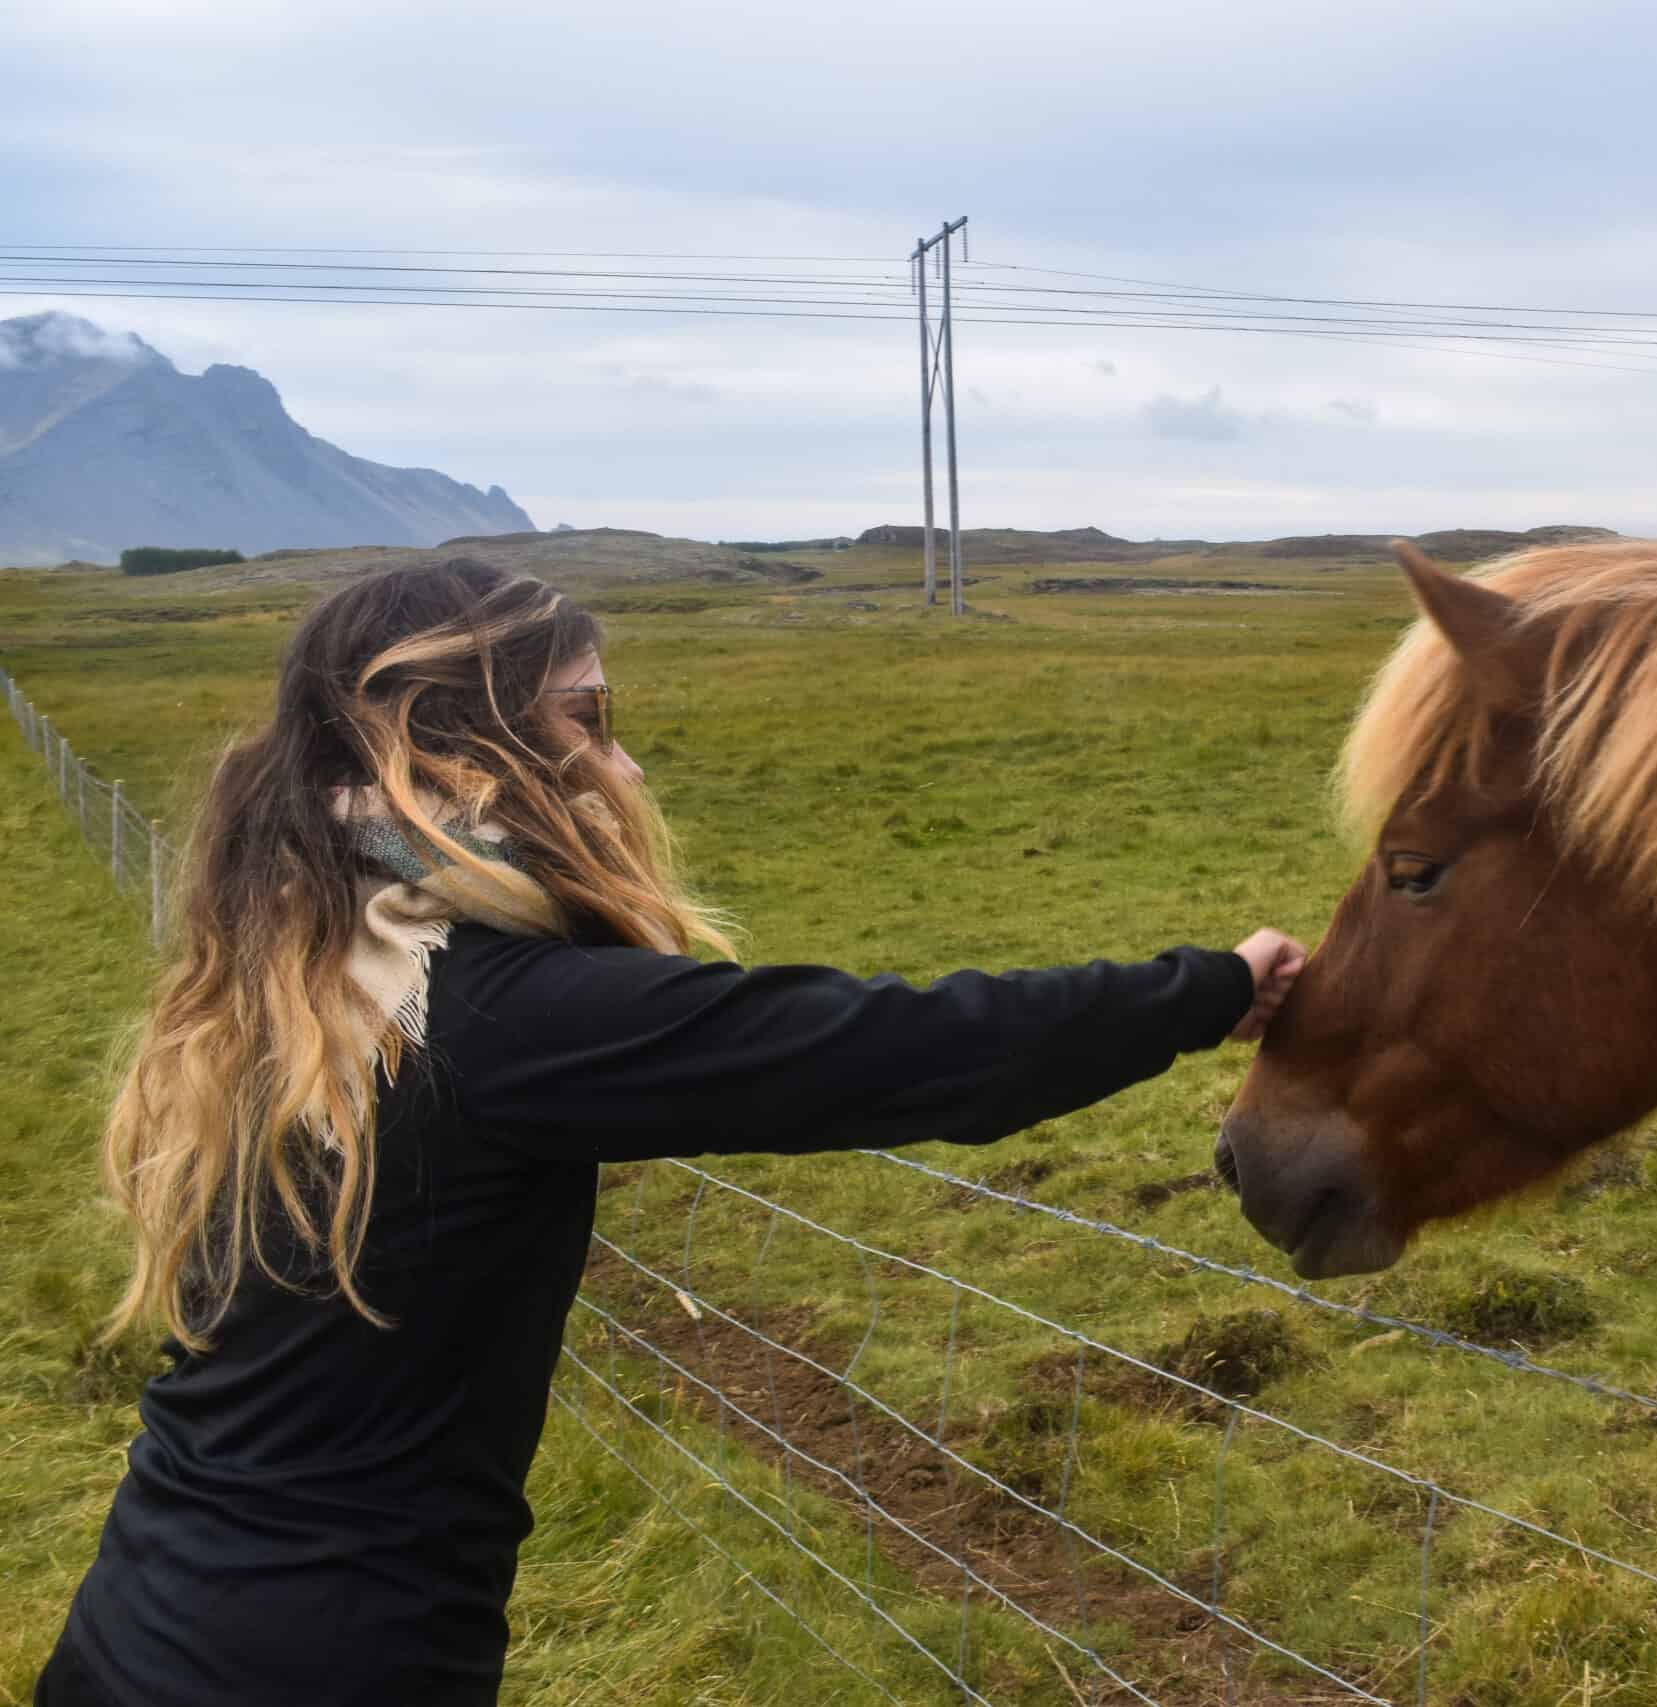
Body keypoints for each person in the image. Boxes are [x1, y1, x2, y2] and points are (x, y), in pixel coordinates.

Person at [35, 558, 1306, 1707]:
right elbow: (891, 1052)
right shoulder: (489, 1017)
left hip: (133, 1628)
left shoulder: (299, 974)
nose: (628, 768)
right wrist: (1204, 987)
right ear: (457, 747)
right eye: (590, 720)